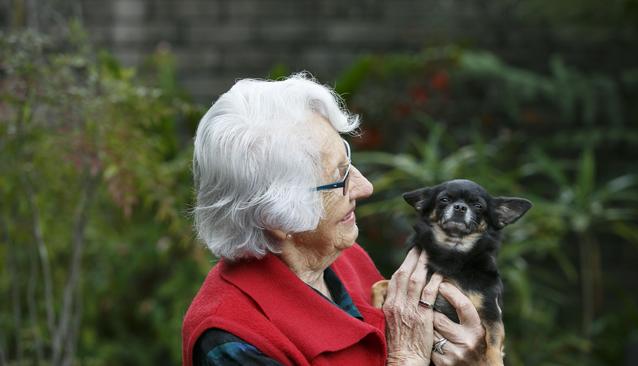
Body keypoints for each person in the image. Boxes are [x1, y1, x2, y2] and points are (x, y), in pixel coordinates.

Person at [182, 73, 487, 366]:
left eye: (348, 160)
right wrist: (406, 358)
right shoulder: (232, 339)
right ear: (276, 217)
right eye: (339, 177)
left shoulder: (345, 260)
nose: (364, 186)